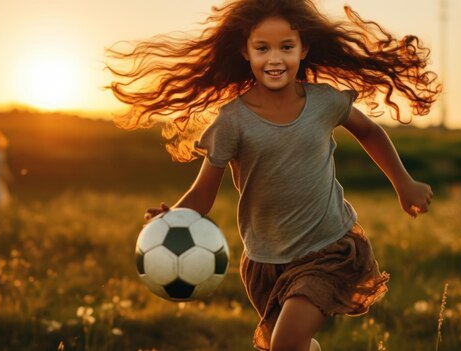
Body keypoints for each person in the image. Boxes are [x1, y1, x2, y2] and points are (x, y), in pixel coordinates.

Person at [107, 1, 440, 350]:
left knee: (286, 344)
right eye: (262, 48)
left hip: (328, 251)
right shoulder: (233, 121)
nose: (275, 58)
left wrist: (404, 183)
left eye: (286, 47)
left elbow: (370, 132)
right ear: (244, 51)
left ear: (304, 48)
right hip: (265, 264)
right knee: (293, 345)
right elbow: (203, 193)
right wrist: (172, 216)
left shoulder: (324, 102)